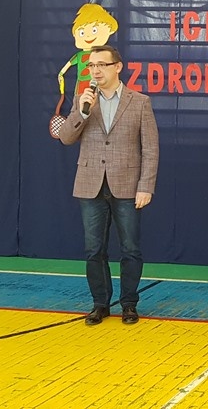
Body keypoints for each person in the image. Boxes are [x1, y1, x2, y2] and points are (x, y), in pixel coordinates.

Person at [57, 45, 159, 326]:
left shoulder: (140, 102)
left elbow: (150, 148)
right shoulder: (83, 99)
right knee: (94, 250)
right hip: (90, 183)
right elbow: (66, 138)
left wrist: (146, 186)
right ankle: (100, 304)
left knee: (130, 249)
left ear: (118, 67)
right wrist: (82, 113)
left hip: (127, 184)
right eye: (91, 66)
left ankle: (129, 304)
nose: (95, 71)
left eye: (101, 65)